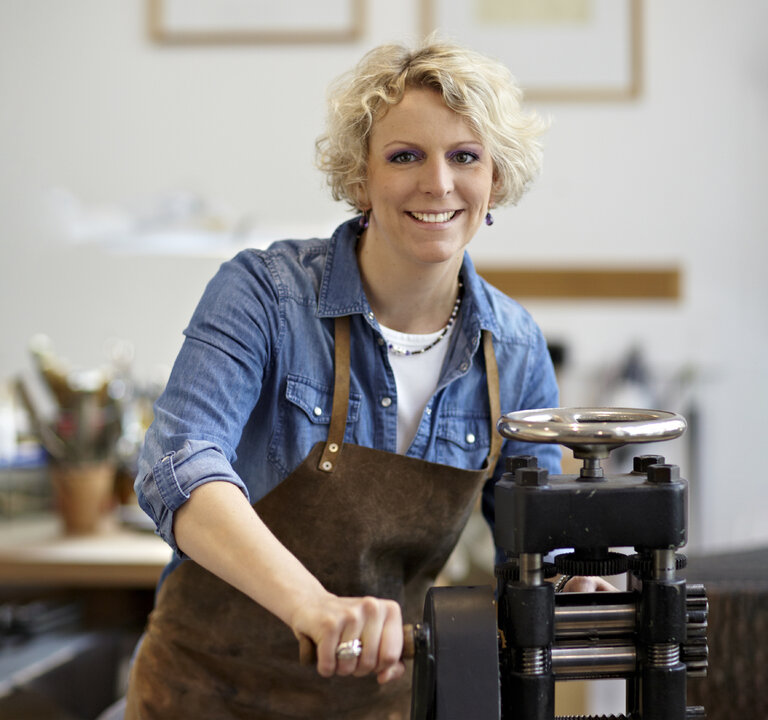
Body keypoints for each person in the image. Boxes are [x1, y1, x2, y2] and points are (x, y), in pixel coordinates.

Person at [125, 38, 568, 719]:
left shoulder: (512, 349)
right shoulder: (264, 296)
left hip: (381, 703)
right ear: (359, 179)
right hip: (207, 693)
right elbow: (178, 464)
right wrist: (312, 606)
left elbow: (532, 540)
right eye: (404, 156)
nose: (438, 184)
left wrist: (576, 579)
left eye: (465, 157)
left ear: (496, 179)